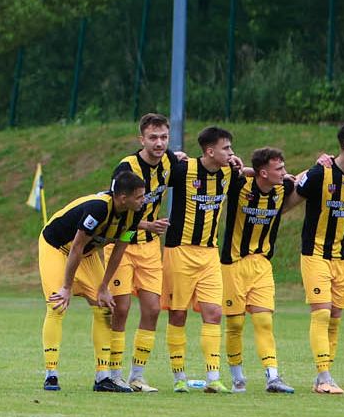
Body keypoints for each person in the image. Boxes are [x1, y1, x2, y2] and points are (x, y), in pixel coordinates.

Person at [38, 170, 146, 392]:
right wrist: (66, 287)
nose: (143, 200)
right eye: (139, 196)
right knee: (57, 304)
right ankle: (51, 374)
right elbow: (76, 247)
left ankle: (102, 377)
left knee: (104, 307)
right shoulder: (98, 209)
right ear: (123, 198)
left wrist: (104, 287)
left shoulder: (134, 213)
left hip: (86, 254)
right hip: (57, 248)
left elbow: (118, 251)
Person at [287, 122, 344, 394]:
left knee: (335, 317)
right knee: (322, 313)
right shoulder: (318, 173)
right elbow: (289, 202)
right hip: (316, 254)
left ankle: (324, 377)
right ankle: (324, 376)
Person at [158, 126, 238, 393]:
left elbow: (256, 178)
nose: (230, 153)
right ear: (210, 150)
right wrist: (170, 155)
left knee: (214, 312)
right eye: (226, 148)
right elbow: (155, 177)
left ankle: (213, 378)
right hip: (179, 250)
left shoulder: (229, 172)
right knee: (178, 314)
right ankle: (179, 376)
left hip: (209, 253)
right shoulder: (183, 169)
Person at [219, 147, 296, 394]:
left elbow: (309, 181)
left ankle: (273, 377)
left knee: (264, 321)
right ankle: (237, 378)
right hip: (233, 264)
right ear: (263, 173)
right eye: (279, 169)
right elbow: (224, 170)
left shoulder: (285, 188)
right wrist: (243, 167)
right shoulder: (238, 185)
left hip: (262, 264)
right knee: (235, 325)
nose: (284, 173)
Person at [107, 114, 173, 392]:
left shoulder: (171, 162)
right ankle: (112, 374)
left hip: (149, 248)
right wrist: (145, 223)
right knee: (120, 308)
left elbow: (204, 170)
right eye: (153, 138)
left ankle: (137, 375)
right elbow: (113, 205)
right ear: (141, 140)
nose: (159, 143)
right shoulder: (127, 166)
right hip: (123, 239)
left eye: (163, 137)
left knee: (153, 309)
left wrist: (243, 169)